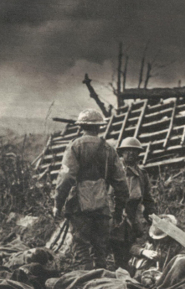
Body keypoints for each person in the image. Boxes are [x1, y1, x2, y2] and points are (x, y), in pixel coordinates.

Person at [51, 109, 128, 271]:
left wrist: (58, 204)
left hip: (79, 206)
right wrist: (119, 211)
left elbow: (65, 178)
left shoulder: (74, 147)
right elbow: (121, 184)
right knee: (100, 250)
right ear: (100, 127)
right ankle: (101, 286)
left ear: (81, 127)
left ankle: (85, 285)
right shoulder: (108, 149)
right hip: (102, 206)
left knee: (81, 248)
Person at [109, 137, 154, 270]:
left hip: (134, 214)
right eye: (127, 151)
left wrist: (152, 215)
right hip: (116, 213)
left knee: (130, 246)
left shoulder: (142, 174)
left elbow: (147, 198)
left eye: (134, 151)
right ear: (121, 153)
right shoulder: (112, 171)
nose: (131, 154)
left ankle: (128, 273)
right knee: (114, 245)